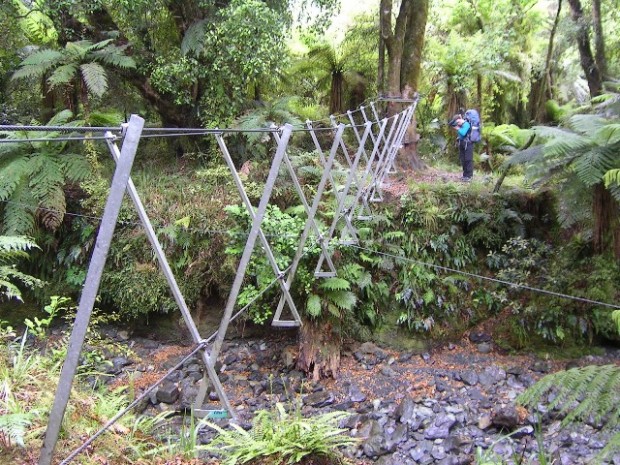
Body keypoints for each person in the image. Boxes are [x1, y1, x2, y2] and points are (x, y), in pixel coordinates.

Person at [450, 114, 473, 181]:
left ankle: (469, 176)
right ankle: (465, 175)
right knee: (463, 160)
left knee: (468, 160)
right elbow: (460, 135)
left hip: (468, 144)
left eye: (458, 122)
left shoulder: (466, 124)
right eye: (456, 123)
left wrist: (458, 128)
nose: (458, 123)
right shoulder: (461, 125)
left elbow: (463, 133)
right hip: (462, 143)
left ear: (460, 119)